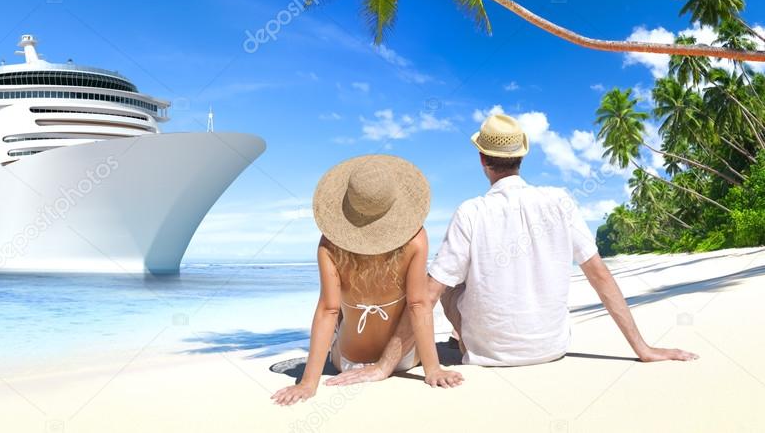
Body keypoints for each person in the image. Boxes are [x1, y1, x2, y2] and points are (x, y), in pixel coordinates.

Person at [327, 113, 697, 386]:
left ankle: (458, 339)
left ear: (482, 161)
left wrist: (383, 366)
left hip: (489, 356)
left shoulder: (471, 211)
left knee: (446, 283)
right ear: (521, 157)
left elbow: (427, 296)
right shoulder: (560, 201)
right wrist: (643, 348)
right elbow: (600, 277)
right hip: (551, 348)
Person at [271, 155, 463, 405]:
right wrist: (433, 369)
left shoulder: (329, 245)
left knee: (338, 312)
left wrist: (309, 382)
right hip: (404, 360)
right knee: (410, 304)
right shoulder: (416, 239)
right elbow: (418, 305)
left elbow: (327, 311)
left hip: (348, 361)